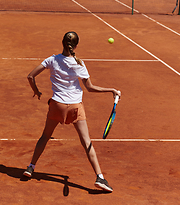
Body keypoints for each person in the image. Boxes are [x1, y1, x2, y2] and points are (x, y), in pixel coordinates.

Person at [23, 31, 121, 192]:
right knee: (86, 142)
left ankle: (30, 167)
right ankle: (100, 178)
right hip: (75, 107)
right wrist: (112, 90)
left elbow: (30, 76)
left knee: (45, 136)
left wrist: (37, 91)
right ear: (76, 45)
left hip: (57, 106)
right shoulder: (79, 64)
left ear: (62, 43)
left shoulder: (52, 60)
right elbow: (90, 88)